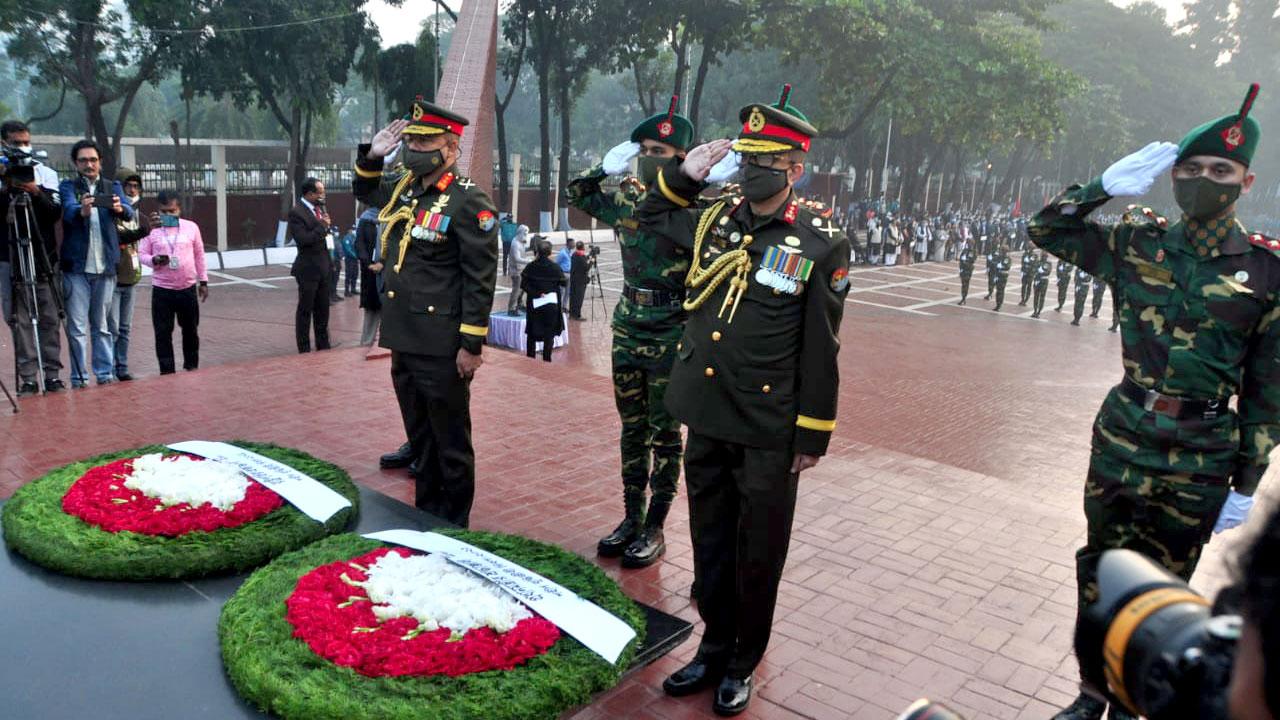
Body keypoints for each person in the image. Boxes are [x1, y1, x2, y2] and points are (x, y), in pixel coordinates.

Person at [1028, 84, 1277, 720]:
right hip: (1123, 435)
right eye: (1190, 171)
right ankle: (1090, 694)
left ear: (1245, 183)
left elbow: (1268, 388)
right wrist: (1101, 187)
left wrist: (1248, 480)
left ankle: (1136, 701)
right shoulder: (1137, 245)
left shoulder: (1267, 272)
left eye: (1219, 171)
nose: (1203, 181)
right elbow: (1046, 228)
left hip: (1201, 452)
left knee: (1167, 585)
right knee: (1100, 571)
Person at [636, 85, 850, 717]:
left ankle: (741, 661)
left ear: (794, 168)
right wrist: (682, 174)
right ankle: (712, 642)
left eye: (766, 161)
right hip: (706, 412)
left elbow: (821, 346)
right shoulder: (714, 217)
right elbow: (651, 218)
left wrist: (811, 434)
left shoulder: (818, 242)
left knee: (758, 552)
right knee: (710, 540)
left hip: (768, 425)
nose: (753, 169)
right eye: (747, 158)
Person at [354, 98, 500, 528]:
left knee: (450, 442)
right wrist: (372, 157)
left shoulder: (470, 201)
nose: (415, 147)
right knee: (421, 439)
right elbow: (366, 190)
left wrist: (471, 344)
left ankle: (454, 525)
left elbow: (479, 279)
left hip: (442, 345)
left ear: (450, 148)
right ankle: (427, 518)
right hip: (404, 337)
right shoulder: (406, 186)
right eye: (411, 140)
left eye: (425, 140)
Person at [564, 96, 694, 567]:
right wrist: (603, 166)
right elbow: (576, 194)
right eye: (642, 150)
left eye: (658, 153)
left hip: (671, 332)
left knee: (665, 434)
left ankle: (656, 526)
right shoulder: (628, 199)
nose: (647, 158)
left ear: (681, 159)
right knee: (632, 430)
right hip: (628, 327)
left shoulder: (700, 208)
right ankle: (630, 517)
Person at [58, 140, 132, 388]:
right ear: (75, 163)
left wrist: (120, 208)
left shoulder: (112, 186)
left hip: (105, 267)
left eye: (93, 160)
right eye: (83, 160)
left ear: (100, 162)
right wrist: (82, 210)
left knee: (101, 326)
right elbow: (67, 210)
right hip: (76, 269)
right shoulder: (69, 186)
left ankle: (104, 373)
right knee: (77, 327)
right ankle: (79, 377)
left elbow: (129, 212)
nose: (88, 165)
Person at [0, 148, 64, 394]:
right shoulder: (4, 191)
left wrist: (36, 192)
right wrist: (6, 186)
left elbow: (54, 213)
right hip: (13, 261)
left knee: (49, 318)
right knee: (21, 322)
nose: (22, 177)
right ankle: (28, 378)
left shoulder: (45, 182)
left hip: (42, 261)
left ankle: (52, 375)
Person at [137, 190, 208, 374]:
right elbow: (141, 254)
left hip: (187, 288)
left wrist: (204, 281)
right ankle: (167, 371)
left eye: (172, 211)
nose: (168, 215)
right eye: (164, 211)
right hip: (162, 290)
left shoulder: (191, 227)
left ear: (179, 210)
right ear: (158, 210)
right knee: (163, 333)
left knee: (191, 330)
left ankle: (191, 366)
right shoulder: (151, 230)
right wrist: (154, 260)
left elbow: (199, 255)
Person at [110, 167, 150, 381]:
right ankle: (108, 368)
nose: (133, 190)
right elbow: (119, 237)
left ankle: (122, 367)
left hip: (131, 277)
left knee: (125, 328)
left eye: (136, 186)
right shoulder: (113, 211)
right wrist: (141, 232)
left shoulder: (138, 213)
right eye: (129, 186)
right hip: (114, 277)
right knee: (112, 327)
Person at [289, 177, 336, 353]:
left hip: (324, 267)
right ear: (309, 194)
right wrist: (321, 227)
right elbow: (303, 240)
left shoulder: (319, 209)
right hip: (308, 269)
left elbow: (326, 236)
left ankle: (323, 345)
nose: (322, 195)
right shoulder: (297, 212)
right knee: (305, 310)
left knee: (323, 309)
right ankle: (304, 347)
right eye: (320, 192)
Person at [520, 239, 565, 361]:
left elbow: (523, 285)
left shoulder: (531, 267)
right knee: (548, 334)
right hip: (550, 305)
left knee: (532, 333)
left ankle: (530, 358)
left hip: (534, 304)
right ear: (550, 252)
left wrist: (537, 293)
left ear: (537, 252)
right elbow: (564, 282)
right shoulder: (555, 267)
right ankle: (546, 359)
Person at [354, 204, 382, 347]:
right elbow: (359, 243)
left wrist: (383, 263)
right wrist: (368, 263)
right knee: (372, 309)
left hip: (389, 269)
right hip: (371, 271)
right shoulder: (366, 219)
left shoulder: (394, 215)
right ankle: (366, 343)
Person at [505, 223, 530, 315]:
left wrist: (530, 247)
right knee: (516, 289)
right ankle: (511, 308)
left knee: (523, 288)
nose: (525, 236)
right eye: (524, 234)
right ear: (520, 233)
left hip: (521, 270)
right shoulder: (515, 243)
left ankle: (519, 303)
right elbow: (517, 258)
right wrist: (528, 261)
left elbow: (522, 250)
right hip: (516, 271)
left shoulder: (520, 241)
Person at [568, 241, 589, 320]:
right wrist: (592, 261)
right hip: (580, 281)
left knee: (573, 297)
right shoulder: (581, 256)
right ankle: (577, 315)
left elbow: (581, 262)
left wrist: (588, 256)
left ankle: (572, 314)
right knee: (579, 298)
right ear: (583, 247)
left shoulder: (574, 255)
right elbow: (586, 267)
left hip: (574, 279)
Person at [1030, 251, 1052, 318]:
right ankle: (1035, 310)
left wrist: (1041, 272)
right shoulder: (1037, 262)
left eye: (1045, 256)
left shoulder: (1048, 263)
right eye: (1043, 256)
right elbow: (1033, 269)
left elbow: (1048, 272)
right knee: (1036, 296)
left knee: (1042, 297)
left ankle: (1039, 311)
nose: (1044, 257)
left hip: (1044, 281)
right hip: (1037, 280)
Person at [989, 242, 1011, 310]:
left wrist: (1000, 266)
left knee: (1001, 291)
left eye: (1003, 250)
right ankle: (997, 304)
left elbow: (1007, 266)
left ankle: (999, 304)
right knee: (998, 291)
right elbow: (993, 262)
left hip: (1003, 276)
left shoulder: (1007, 259)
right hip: (998, 275)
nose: (1001, 252)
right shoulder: (999, 257)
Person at [342, 224, 360, 297]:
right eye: (353, 229)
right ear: (349, 230)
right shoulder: (346, 238)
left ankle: (353, 289)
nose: (354, 231)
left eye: (354, 229)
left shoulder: (354, 237)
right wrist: (356, 256)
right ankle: (346, 291)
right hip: (349, 259)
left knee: (355, 274)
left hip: (355, 259)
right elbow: (348, 249)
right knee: (348, 274)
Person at [956, 240, 976, 305]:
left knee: (965, 284)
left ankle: (964, 298)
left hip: (968, 270)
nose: (969, 245)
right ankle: (963, 297)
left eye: (970, 244)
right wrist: (960, 268)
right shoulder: (965, 250)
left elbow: (972, 260)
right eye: (968, 243)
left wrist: (965, 261)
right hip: (963, 269)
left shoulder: (973, 252)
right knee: (963, 284)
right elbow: (961, 258)